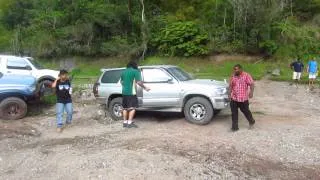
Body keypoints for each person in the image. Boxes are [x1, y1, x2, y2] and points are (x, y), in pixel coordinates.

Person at [121, 61, 150, 128]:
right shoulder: (135, 71)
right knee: (132, 108)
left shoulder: (123, 72)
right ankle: (130, 123)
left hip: (124, 92)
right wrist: (145, 88)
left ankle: (125, 123)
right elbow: (139, 82)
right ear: (134, 65)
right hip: (131, 93)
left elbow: (122, 82)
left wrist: (126, 86)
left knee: (125, 108)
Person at [229, 64, 255, 132]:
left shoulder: (246, 75)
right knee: (234, 113)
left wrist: (251, 92)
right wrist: (229, 95)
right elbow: (230, 86)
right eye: (234, 69)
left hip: (243, 98)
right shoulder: (233, 76)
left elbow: (252, 84)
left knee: (246, 111)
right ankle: (234, 127)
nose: (235, 70)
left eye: (237, 69)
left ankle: (251, 121)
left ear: (241, 69)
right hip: (234, 98)